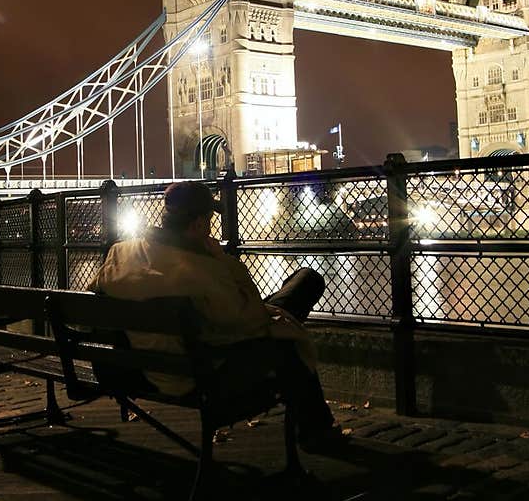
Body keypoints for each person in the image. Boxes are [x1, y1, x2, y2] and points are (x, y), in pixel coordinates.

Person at [93, 180, 345, 451]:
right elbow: (251, 319)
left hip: (138, 368)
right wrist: (223, 259)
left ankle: (317, 426)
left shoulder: (121, 252)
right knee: (297, 311)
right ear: (198, 224)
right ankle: (316, 429)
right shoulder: (200, 269)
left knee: (290, 306)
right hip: (199, 374)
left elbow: (96, 293)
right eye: (210, 219)